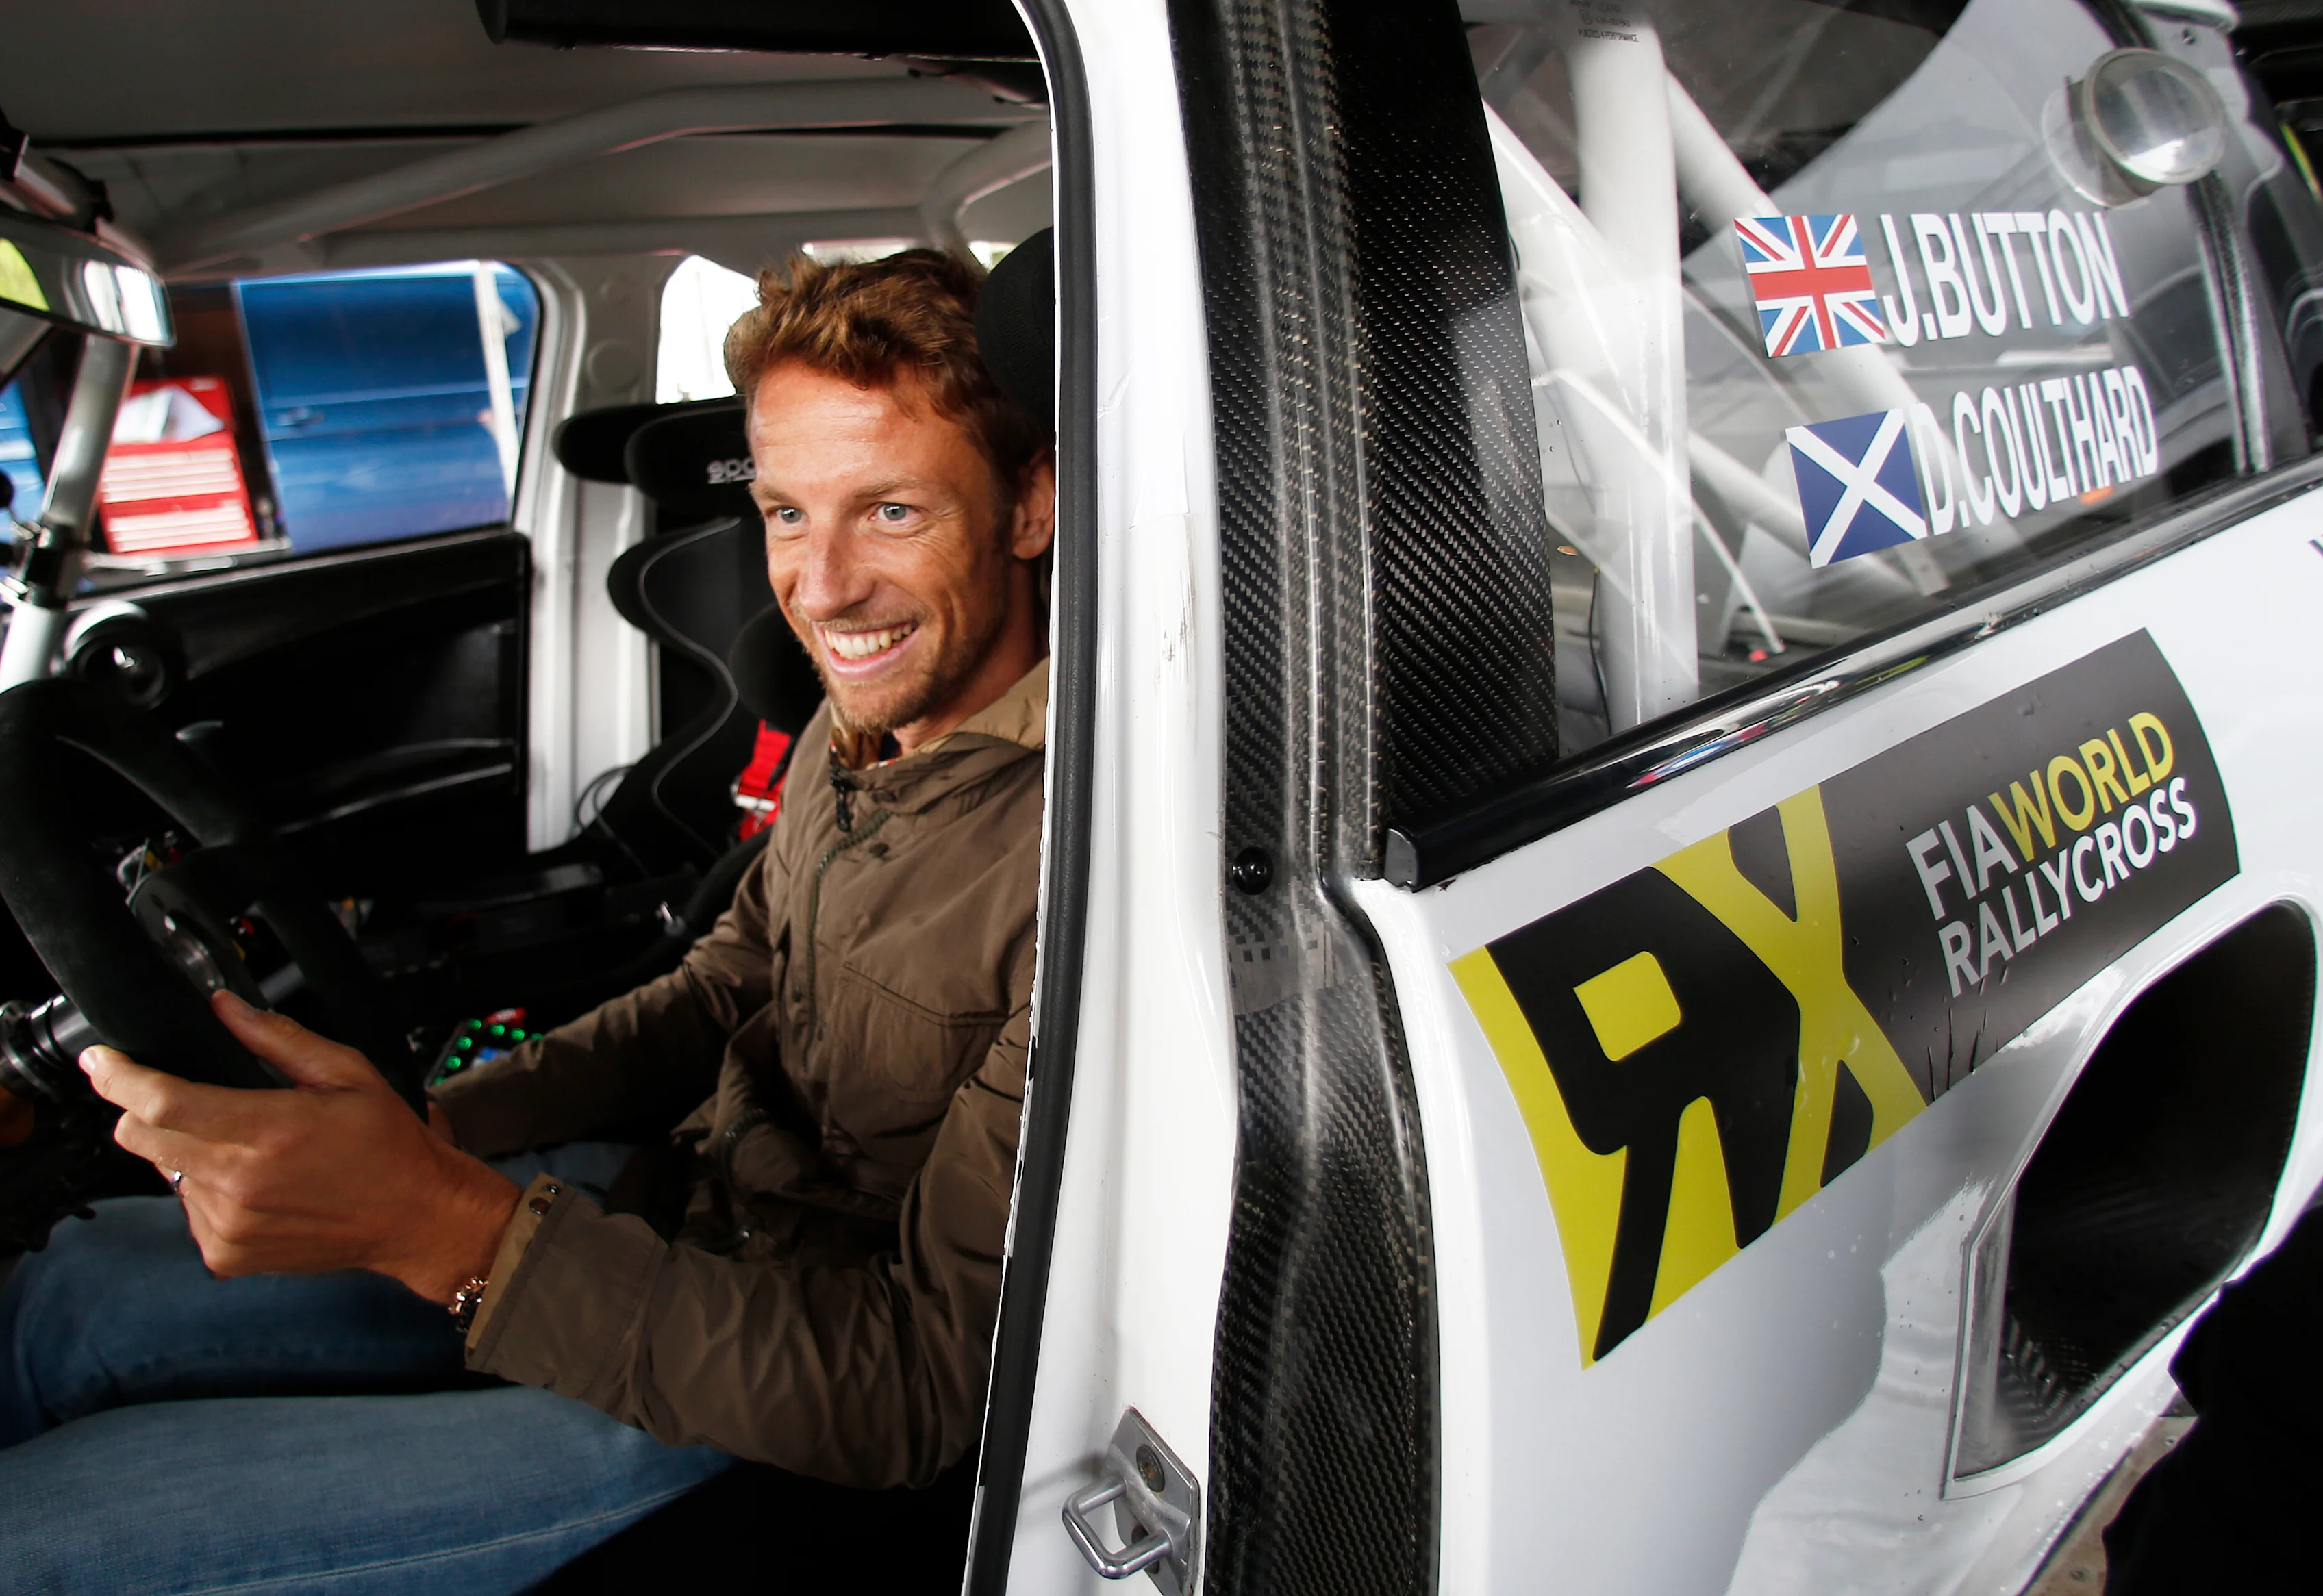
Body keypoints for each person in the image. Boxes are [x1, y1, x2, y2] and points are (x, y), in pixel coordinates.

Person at [0, 247, 1057, 1593]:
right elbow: (725, 981)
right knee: (68, 1298)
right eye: (788, 514)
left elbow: (916, 1390)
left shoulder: (1079, 866)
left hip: (775, 1401)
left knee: (33, 1542)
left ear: (1029, 505)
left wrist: (435, 1220)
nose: (824, 586)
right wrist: (446, 1129)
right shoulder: (865, 727)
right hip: (673, 1206)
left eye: (892, 511)